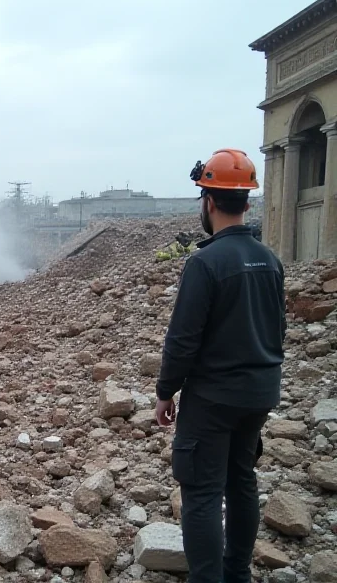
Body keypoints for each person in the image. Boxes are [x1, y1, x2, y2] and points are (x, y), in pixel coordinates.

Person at [154, 148, 285, 583]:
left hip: (213, 399)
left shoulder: (205, 263)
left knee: (203, 492)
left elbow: (182, 340)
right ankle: (237, 574)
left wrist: (165, 391)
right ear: (247, 201)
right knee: (242, 481)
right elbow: (277, 329)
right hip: (259, 394)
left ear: (208, 201)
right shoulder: (270, 260)